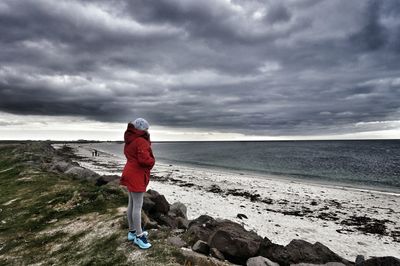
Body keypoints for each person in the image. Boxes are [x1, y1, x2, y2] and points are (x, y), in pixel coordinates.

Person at [120, 118, 155, 249]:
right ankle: (139, 237)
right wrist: (152, 161)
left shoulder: (130, 139)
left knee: (131, 203)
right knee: (137, 207)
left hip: (129, 171)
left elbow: (132, 156)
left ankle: (132, 231)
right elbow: (144, 160)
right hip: (136, 175)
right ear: (141, 129)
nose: (147, 131)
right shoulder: (141, 141)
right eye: (146, 129)